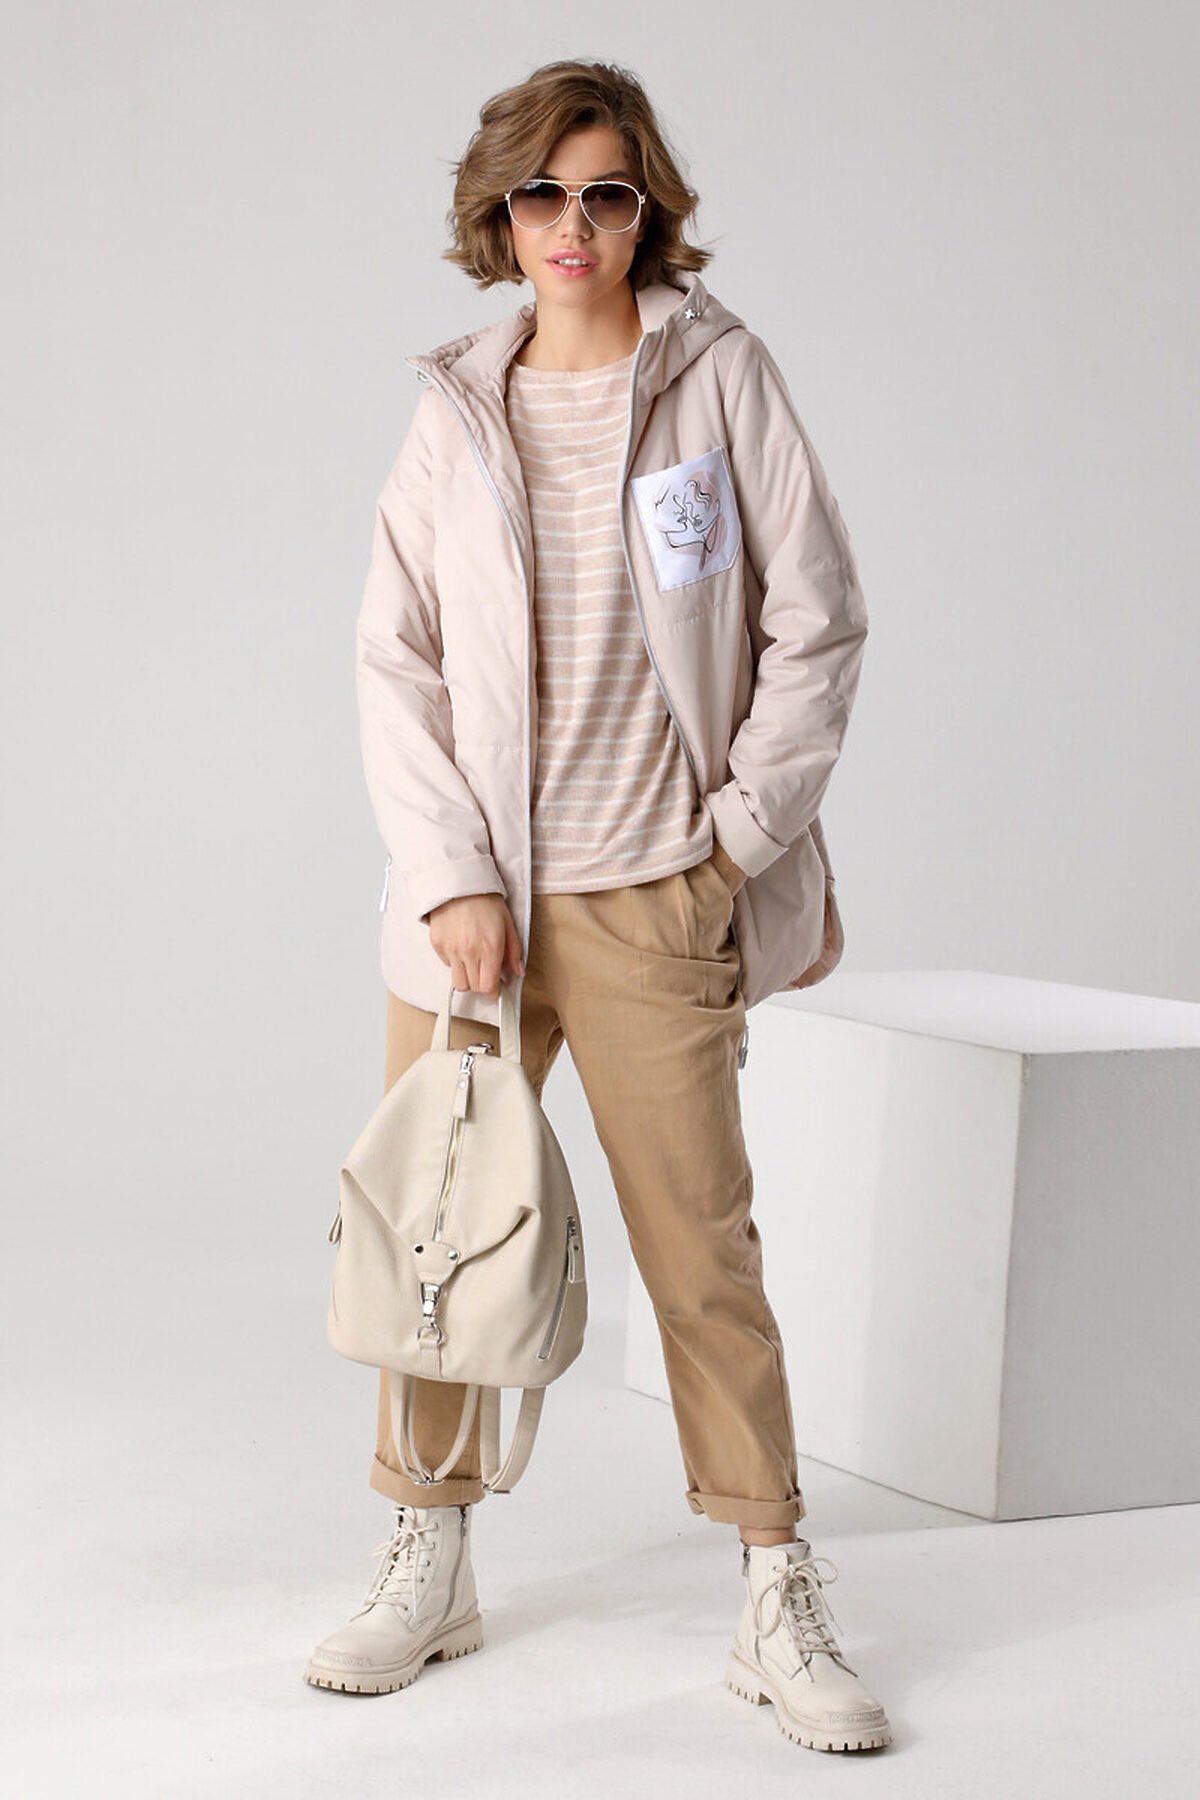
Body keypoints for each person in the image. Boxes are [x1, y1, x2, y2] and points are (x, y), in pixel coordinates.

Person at [305, 58, 889, 1754]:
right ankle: (430, 1552)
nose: (575, 224)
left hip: (656, 899)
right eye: (544, 194)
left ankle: (774, 1584)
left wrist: (733, 844)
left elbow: (819, 621)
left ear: (648, 212)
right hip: (473, 920)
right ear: (501, 215)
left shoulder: (721, 378)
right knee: (438, 1235)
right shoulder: (454, 406)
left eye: (607, 193)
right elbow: (395, 660)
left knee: (702, 1252)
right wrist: (452, 879)